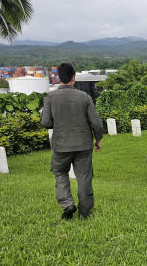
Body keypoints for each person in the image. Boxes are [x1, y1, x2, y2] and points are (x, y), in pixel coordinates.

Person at [40, 63, 104, 219]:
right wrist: (98, 139)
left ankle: (67, 203)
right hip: (83, 144)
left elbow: (45, 122)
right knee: (84, 177)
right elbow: (96, 122)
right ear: (73, 77)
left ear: (59, 77)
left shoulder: (51, 97)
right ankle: (85, 211)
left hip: (61, 145)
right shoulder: (85, 97)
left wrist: (59, 123)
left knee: (60, 173)